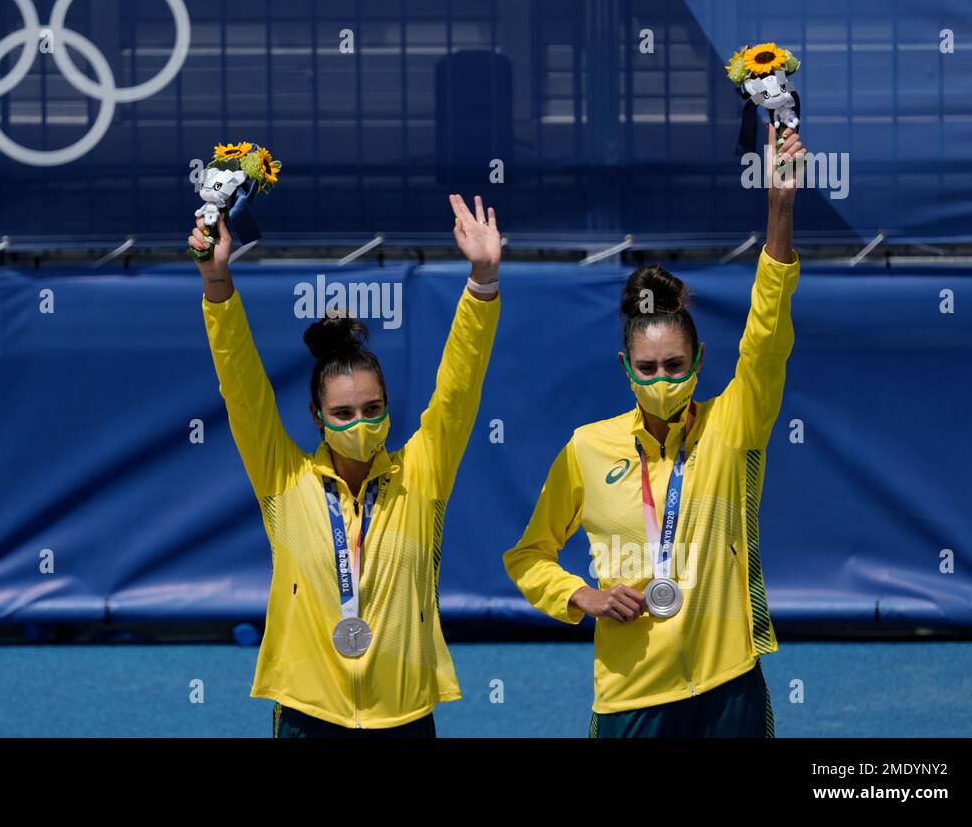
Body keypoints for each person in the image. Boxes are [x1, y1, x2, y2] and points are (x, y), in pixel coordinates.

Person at [505, 124, 806, 737]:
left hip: (729, 688)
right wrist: (578, 597)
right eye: (648, 368)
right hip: (630, 698)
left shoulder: (733, 424)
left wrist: (780, 209)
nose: (662, 378)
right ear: (626, 369)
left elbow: (768, 336)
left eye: (675, 365)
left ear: (697, 364)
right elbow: (528, 556)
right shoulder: (587, 448)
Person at [193, 193, 501, 737]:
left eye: (372, 409)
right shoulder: (283, 478)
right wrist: (217, 283)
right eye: (343, 412)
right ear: (317, 416)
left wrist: (482, 281)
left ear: (387, 409)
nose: (360, 422)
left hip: (404, 716)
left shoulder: (423, 473)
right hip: (309, 717)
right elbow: (241, 387)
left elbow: (459, 387)